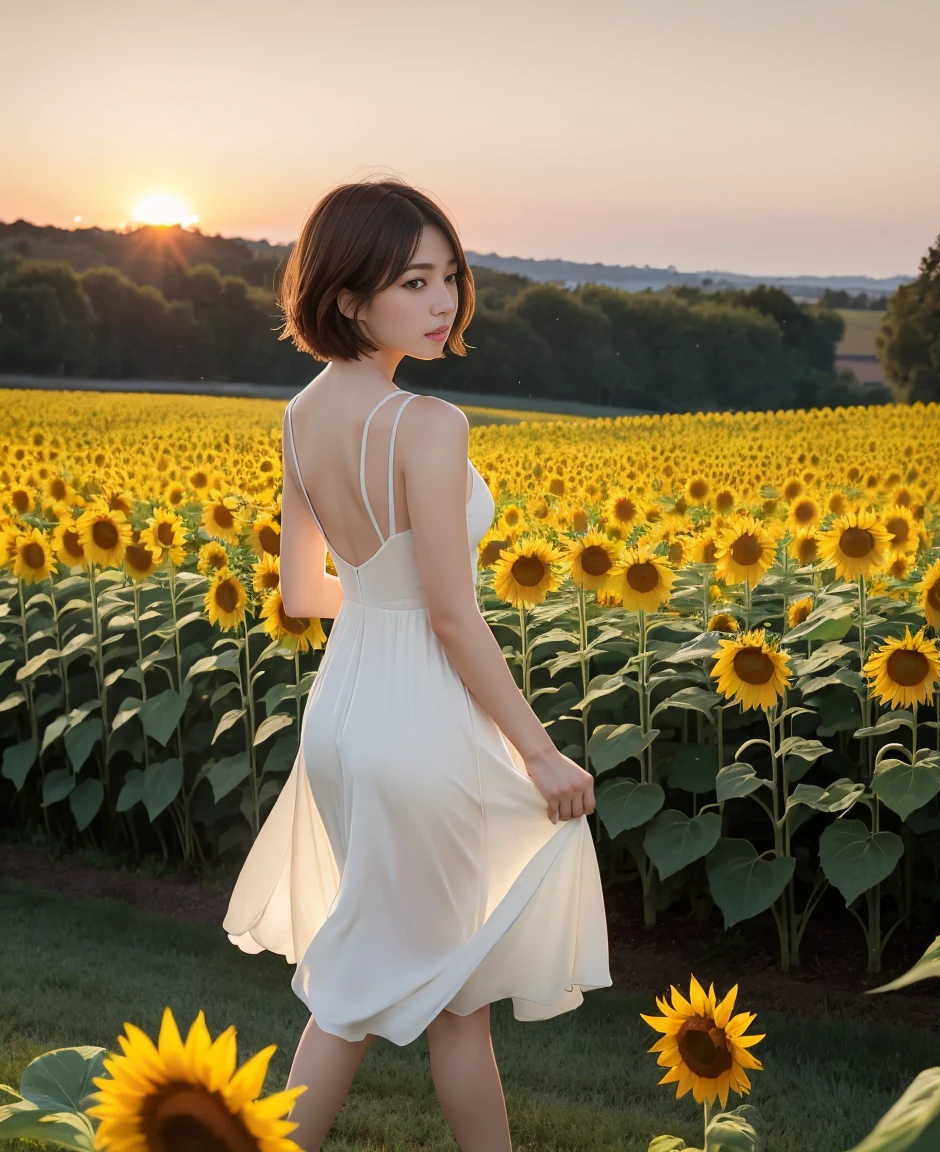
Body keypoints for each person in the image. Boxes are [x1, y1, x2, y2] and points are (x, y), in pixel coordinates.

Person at [221, 178, 612, 1152]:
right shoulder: (427, 424)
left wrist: (386, 602)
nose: (443, 302)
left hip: (346, 718)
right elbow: (451, 612)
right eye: (414, 281)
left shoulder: (302, 414)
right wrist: (541, 754)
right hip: (420, 728)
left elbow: (306, 595)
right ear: (349, 297)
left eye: (451, 276)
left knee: (411, 985)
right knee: (416, 992)